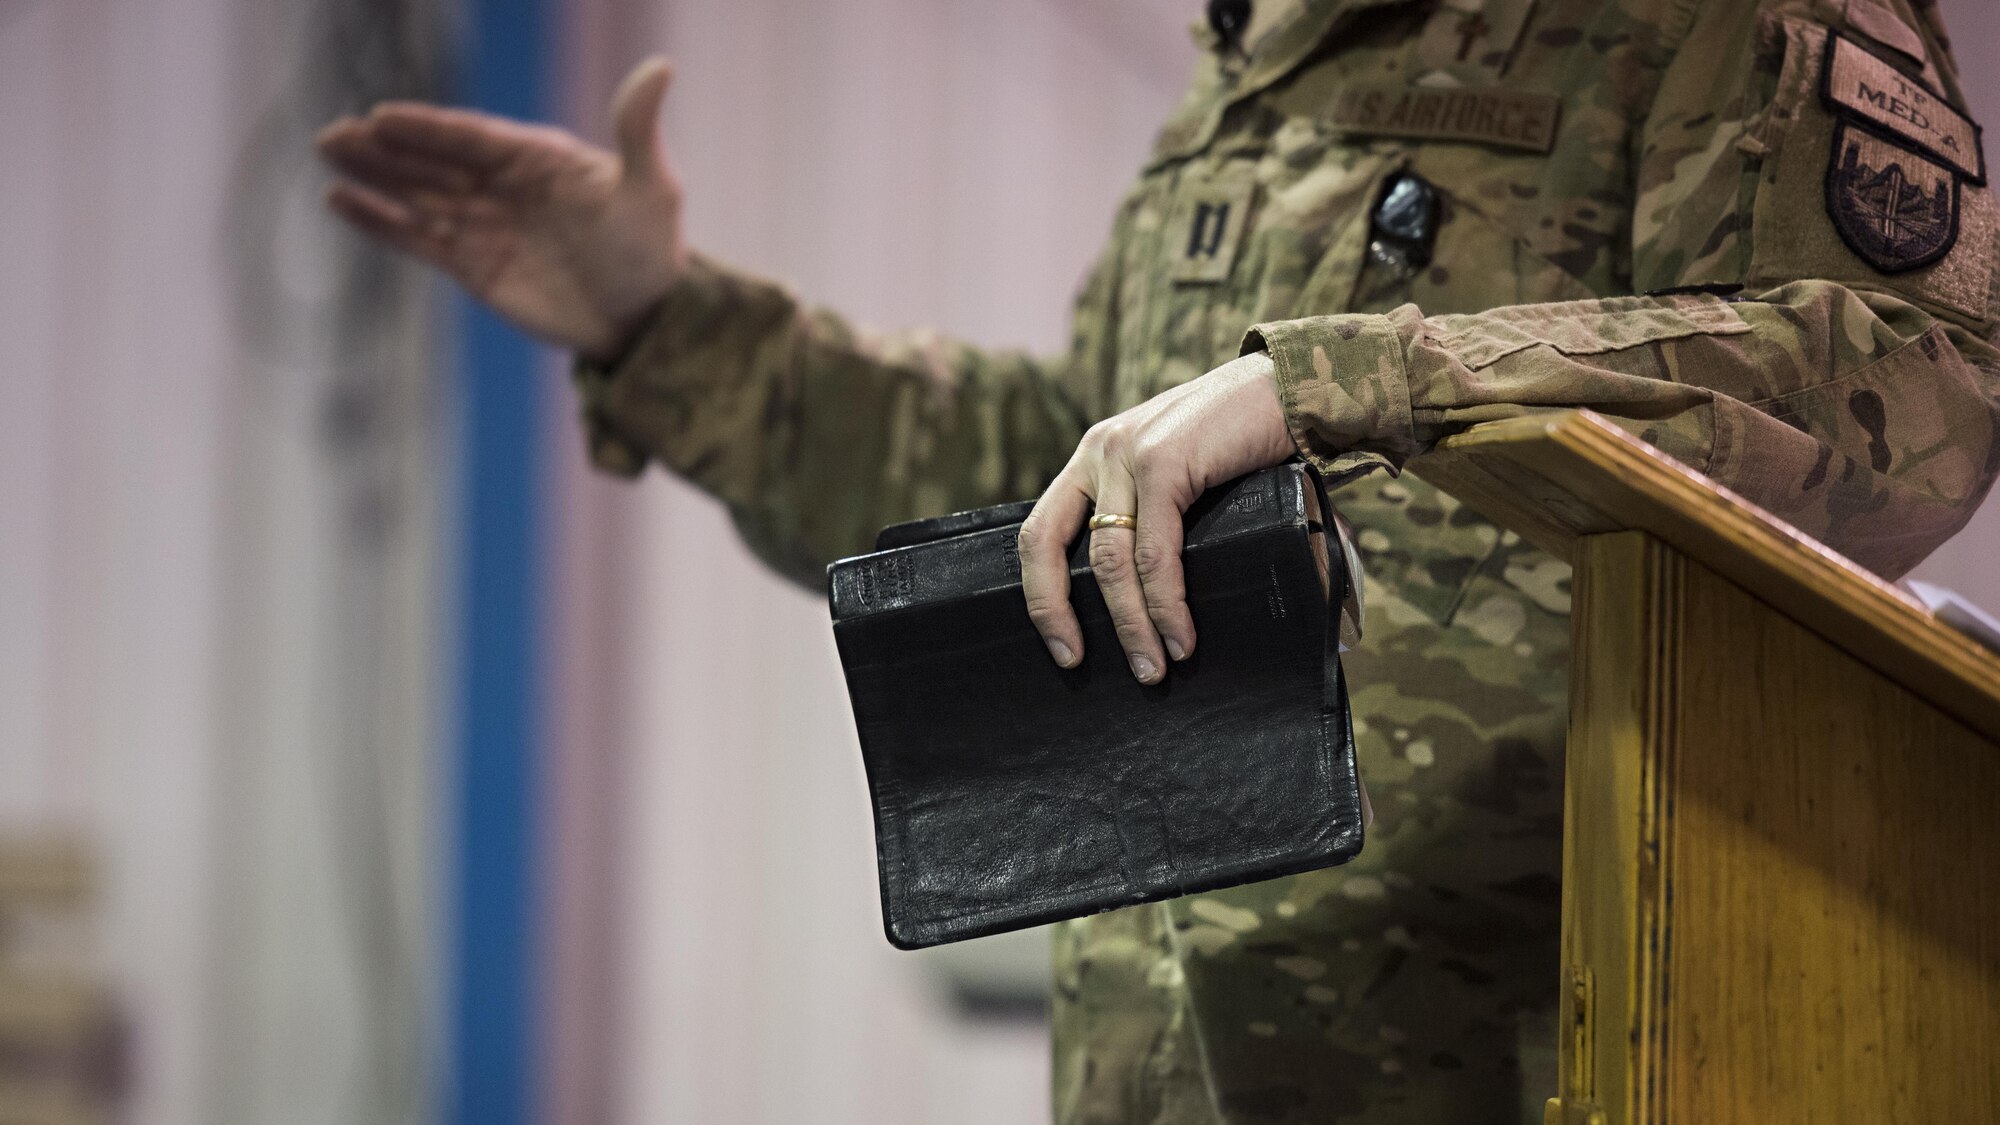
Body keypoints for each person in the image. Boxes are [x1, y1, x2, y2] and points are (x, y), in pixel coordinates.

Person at [318, 0, 1999, 1119]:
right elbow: (1067, 487)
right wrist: (666, 327)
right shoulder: (1255, 68)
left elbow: (1920, 381)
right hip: (1173, 1074)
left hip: (1539, 1061)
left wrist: (1345, 379)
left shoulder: (1693, 23)